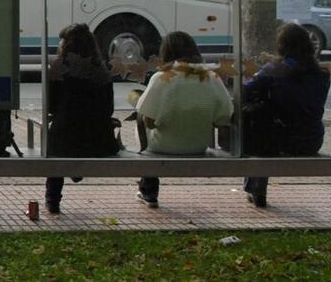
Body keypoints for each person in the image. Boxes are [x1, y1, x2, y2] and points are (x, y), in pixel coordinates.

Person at [134, 30, 233, 208]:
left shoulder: (162, 78)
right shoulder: (211, 77)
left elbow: (149, 121)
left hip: (162, 147)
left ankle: (148, 186)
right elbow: (222, 119)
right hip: (198, 146)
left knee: (141, 116)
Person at [242, 22, 330, 208]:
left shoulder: (274, 70)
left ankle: (257, 188)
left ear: (282, 46)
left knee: (259, 124)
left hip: (280, 139)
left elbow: (247, 91)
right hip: (312, 139)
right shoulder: (320, 74)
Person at [44, 23, 119, 214]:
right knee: (71, 138)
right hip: (98, 142)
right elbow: (108, 109)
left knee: (58, 140)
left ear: (66, 45)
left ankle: (52, 200)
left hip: (64, 141)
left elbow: (50, 106)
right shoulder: (101, 70)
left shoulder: (58, 68)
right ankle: (75, 171)